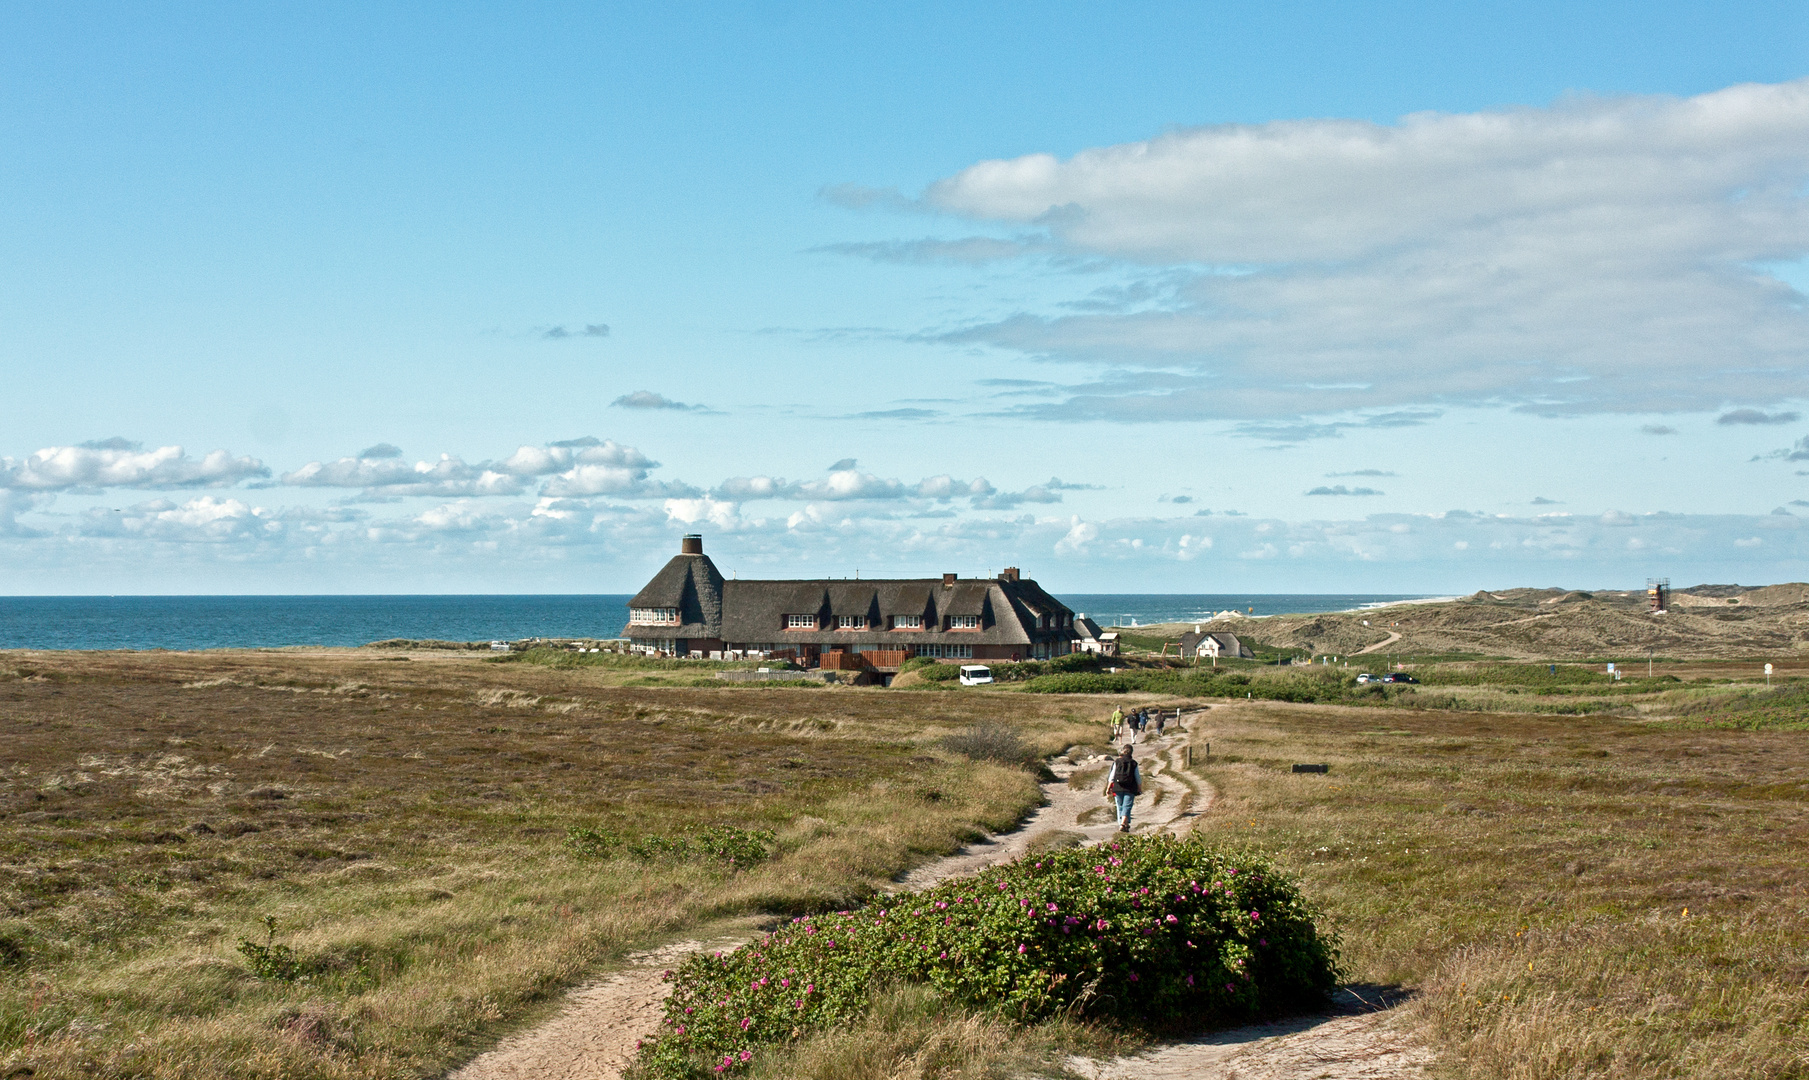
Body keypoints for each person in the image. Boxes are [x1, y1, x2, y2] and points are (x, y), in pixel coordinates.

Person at [1105, 744, 1142, 831]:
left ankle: (1122, 824)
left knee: (1119, 806)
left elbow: (1112, 776)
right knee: (1127, 806)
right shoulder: (1134, 763)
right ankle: (1123, 823)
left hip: (1117, 787)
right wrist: (1139, 788)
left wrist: (1108, 788)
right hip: (1130, 788)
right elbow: (1138, 778)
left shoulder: (1117, 762)